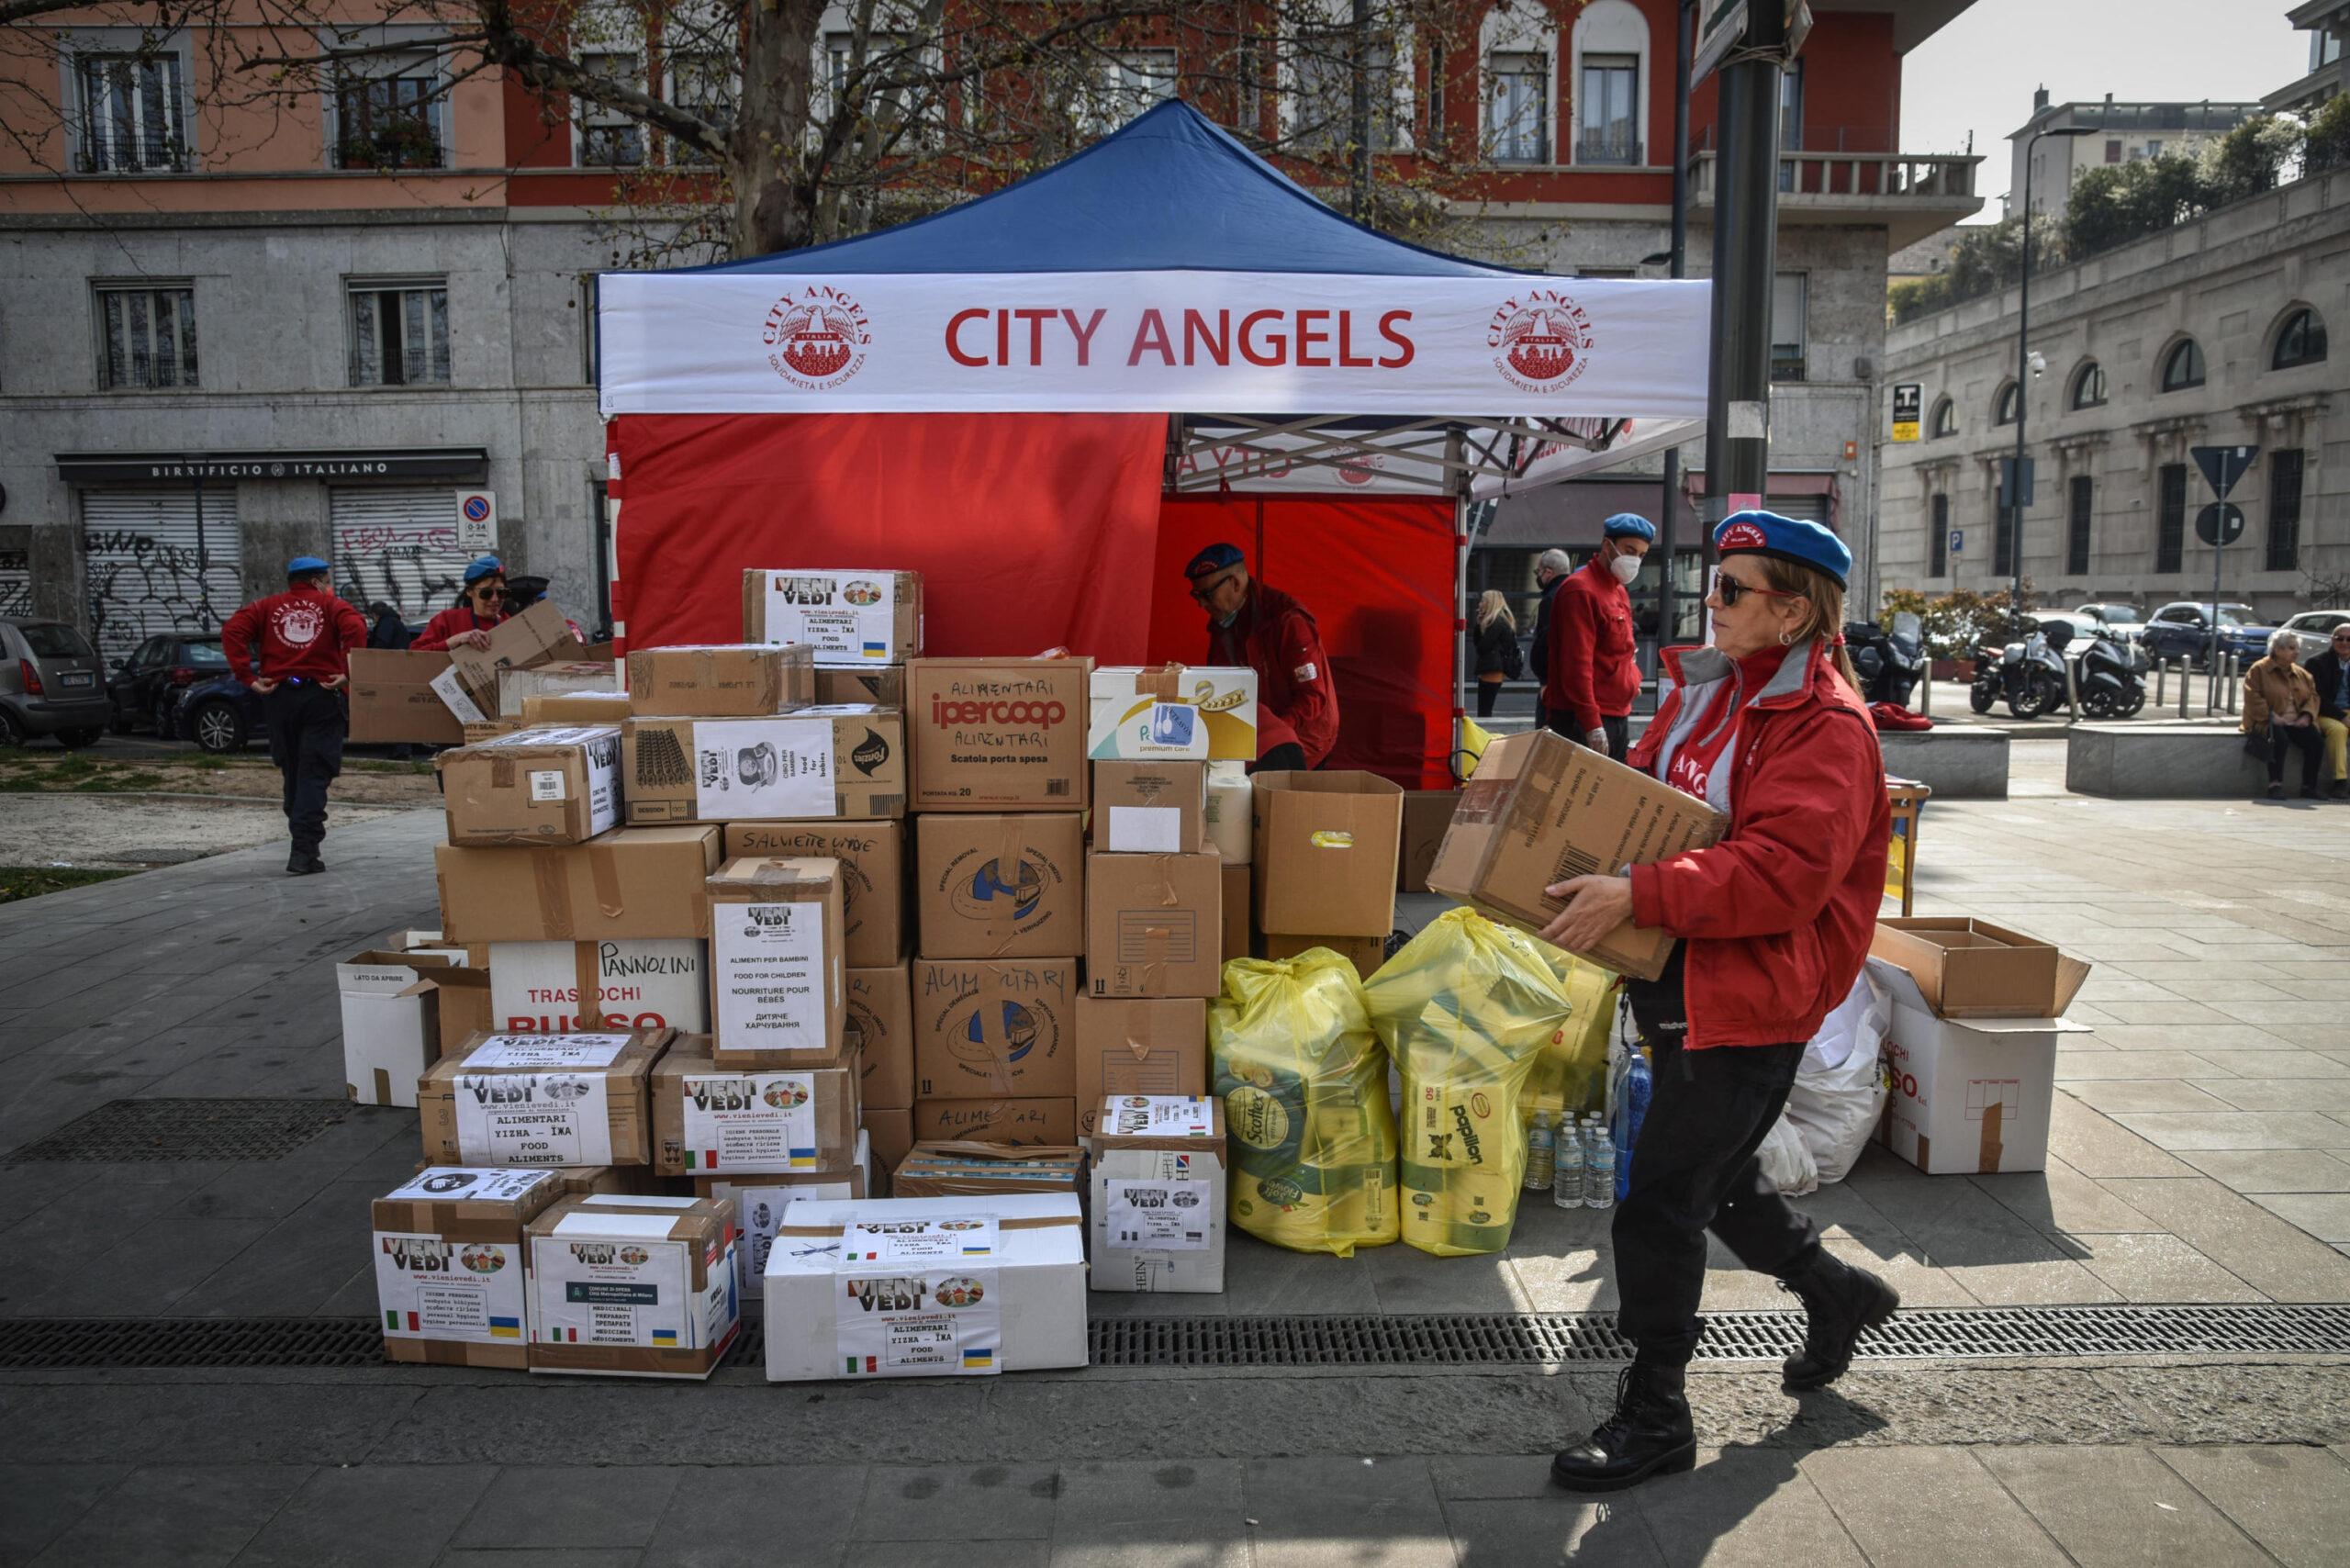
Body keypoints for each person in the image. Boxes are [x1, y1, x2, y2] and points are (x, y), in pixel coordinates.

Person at [1538, 510, 1895, 1493]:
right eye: (1714, 581)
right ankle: (1838, 1291)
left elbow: (1784, 872)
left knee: (1657, 1202)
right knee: (1712, 1181)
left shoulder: (1824, 726)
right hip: (1680, 976)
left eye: (1733, 588)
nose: (1713, 600)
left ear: (1792, 607)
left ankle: (1656, 1412)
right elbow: (1649, 798)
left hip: (1750, 1000)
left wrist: (1640, 893)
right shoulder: (1712, 693)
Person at [222, 555, 369, 875]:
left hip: (279, 697)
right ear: (317, 581)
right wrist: (349, 673)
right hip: (321, 695)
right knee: (314, 771)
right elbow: (356, 628)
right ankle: (304, 852)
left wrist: (247, 677)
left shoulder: (265, 607)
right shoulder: (332, 606)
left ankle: (301, 842)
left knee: (292, 770)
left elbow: (232, 631)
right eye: (326, 581)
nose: (328, 587)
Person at [1185, 543, 1337, 771]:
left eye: (1207, 595)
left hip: (1303, 741)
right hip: (1255, 740)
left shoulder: (1288, 621)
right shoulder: (1222, 626)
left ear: (1235, 583)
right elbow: (1221, 687)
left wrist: (1271, 732)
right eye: (1196, 595)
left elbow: (1313, 697)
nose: (1201, 604)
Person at [1545, 515, 1653, 761]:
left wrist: (1632, 680)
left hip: (1613, 714)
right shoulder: (1580, 590)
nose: (1635, 560)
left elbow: (1625, 650)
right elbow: (1576, 665)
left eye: (1641, 554)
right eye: (1629, 550)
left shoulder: (1618, 590)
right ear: (1607, 545)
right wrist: (1592, 724)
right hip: (1583, 718)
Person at [2244, 630, 2323, 801]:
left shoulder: (2301, 673)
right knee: (2279, 739)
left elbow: (2313, 696)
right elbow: (2252, 696)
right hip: (2267, 721)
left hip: (2295, 721)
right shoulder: (2259, 669)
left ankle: (2309, 786)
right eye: (2291, 648)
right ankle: (2275, 784)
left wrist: (2306, 716)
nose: (2296, 652)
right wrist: (2270, 716)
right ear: (2278, 649)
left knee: (2316, 741)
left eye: (2297, 648)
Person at [411, 556, 507, 652]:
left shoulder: (509, 622)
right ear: (469, 591)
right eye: (486, 593)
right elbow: (414, 653)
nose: (495, 599)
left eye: (500, 592)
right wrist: (455, 641)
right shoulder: (446, 620)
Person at [1527, 548, 1572, 729]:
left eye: (1538, 572)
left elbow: (1547, 643)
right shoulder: (1573, 593)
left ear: (1548, 572)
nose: (1538, 577)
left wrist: (1545, 680)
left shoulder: (1552, 598)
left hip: (1554, 685)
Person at [2308, 624, 2349, 800]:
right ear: (2332, 640)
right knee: (2338, 730)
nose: (2345, 643)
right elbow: (2318, 697)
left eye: (2349, 639)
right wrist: (2343, 716)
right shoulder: (2317, 663)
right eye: (2340, 638)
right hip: (2326, 713)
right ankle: (2340, 782)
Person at [1472, 589, 1523, 719]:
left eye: (1483, 601)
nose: (1480, 604)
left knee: (1484, 711)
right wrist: (1479, 625)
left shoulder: (1497, 622)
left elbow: (1482, 647)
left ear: (1490, 603)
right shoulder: (1498, 621)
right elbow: (1478, 644)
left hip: (1493, 669)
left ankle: (1485, 737)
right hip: (1491, 669)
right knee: (1484, 709)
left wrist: (1481, 626)